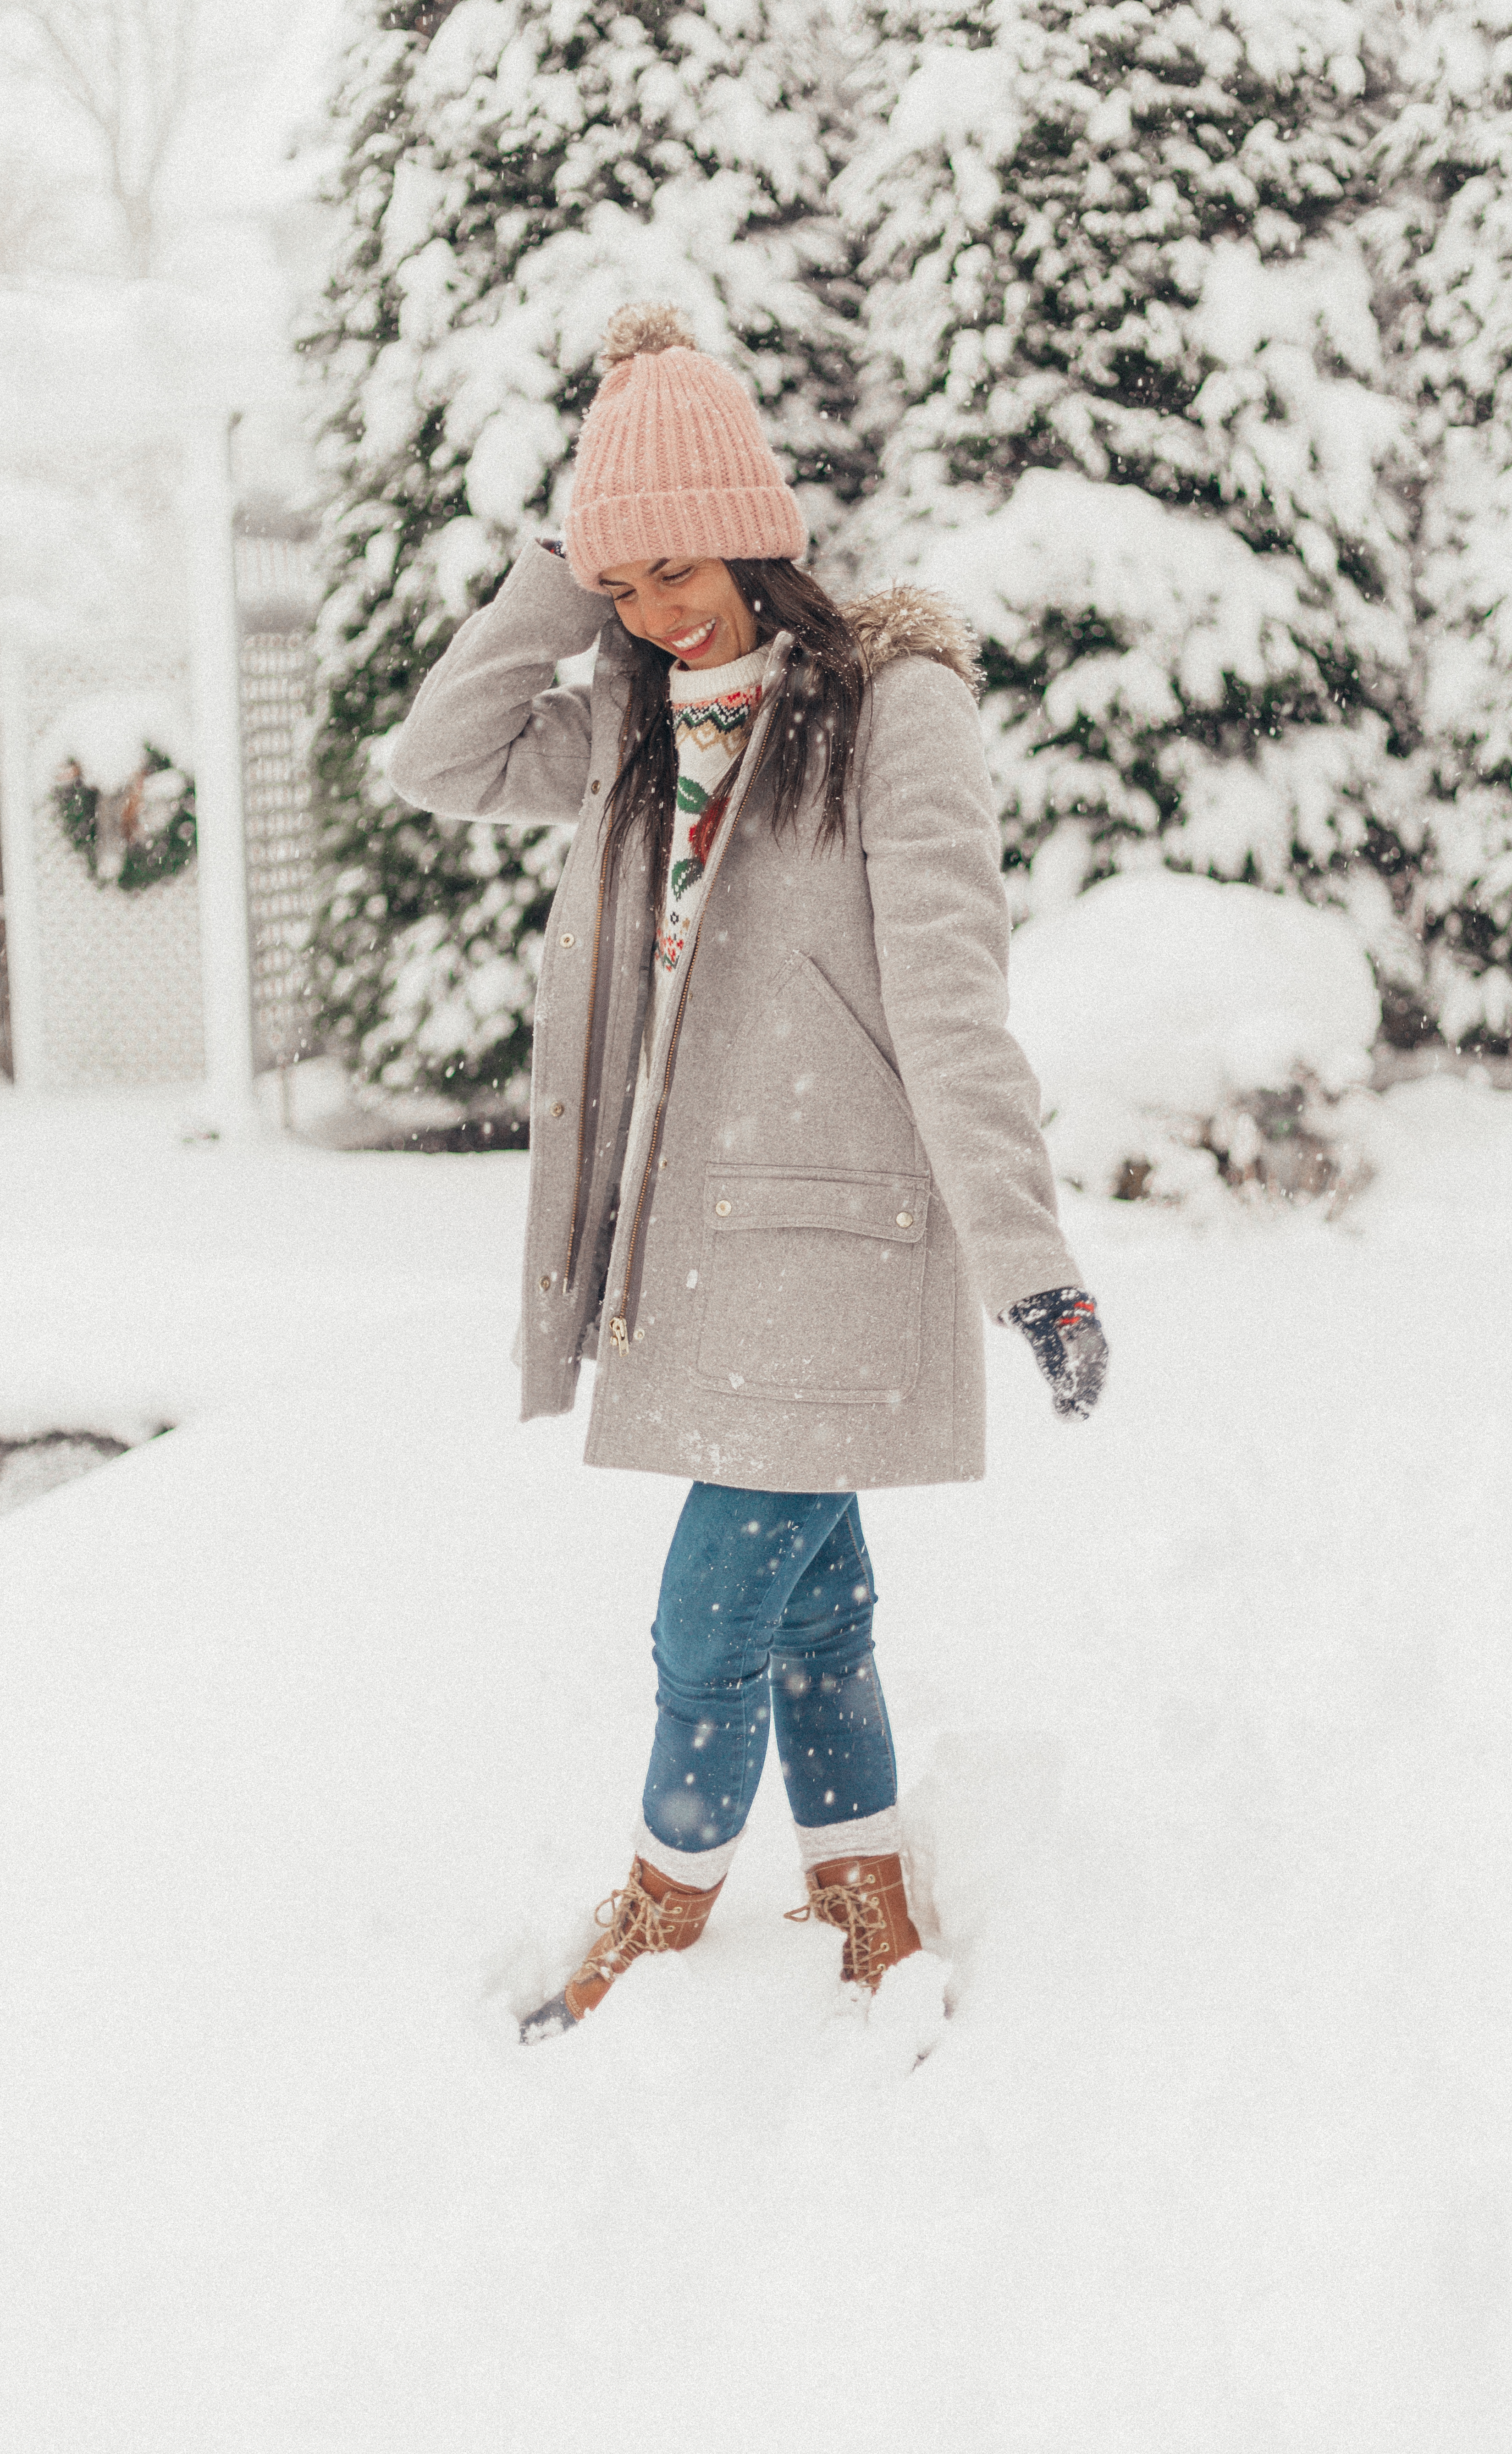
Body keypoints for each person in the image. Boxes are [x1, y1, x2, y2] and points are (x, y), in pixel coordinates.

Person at [387, 304, 1109, 2041]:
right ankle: (860, 1876)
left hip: (847, 1241)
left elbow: (950, 995)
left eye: (680, 564)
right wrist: (569, 576)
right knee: (815, 1595)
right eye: (623, 583)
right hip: (698, 1247)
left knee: (711, 1607)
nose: (658, 609)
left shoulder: (890, 705)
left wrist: (1029, 1257)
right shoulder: (633, 723)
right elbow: (439, 757)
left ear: (760, 532)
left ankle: (671, 1886)